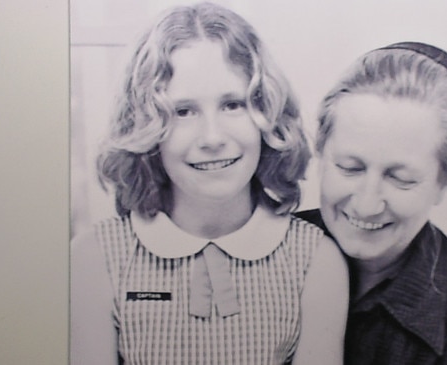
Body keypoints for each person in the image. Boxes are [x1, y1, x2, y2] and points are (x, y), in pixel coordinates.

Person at [70, 3, 348, 364]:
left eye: (233, 104)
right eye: (183, 111)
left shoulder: (314, 260)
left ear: (268, 112)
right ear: (146, 128)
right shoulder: (95, 257)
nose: (212, 137)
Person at [296, 42, 447, 364]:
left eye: (401, 179)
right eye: (350, 168)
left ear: (443, 183)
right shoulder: (267, 249)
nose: (367, 205)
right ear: (321, 152)